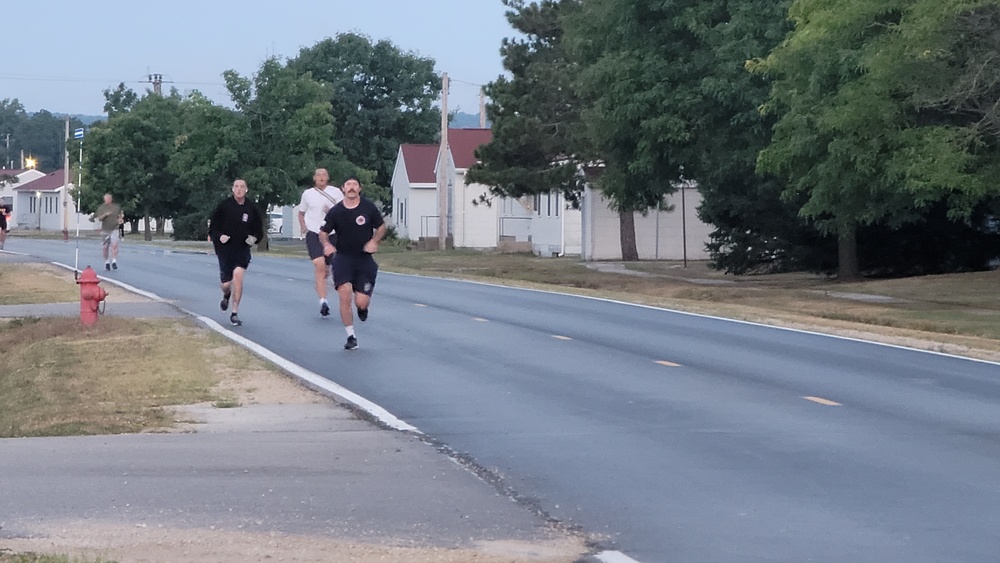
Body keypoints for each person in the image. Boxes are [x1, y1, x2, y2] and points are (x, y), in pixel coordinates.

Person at [319, 176, 386, 350]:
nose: (351, 187)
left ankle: (363, 309)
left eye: (355, 184)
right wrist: (326, 245)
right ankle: (351, 336)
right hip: (343, 258)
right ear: (343, 188)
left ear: (360, 188)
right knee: (345, 293)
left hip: (364, 259)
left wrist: (374, 242)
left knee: (361, 302)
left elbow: (381, 226)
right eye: (348, 184)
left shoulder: (368, 207)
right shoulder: (336, 211)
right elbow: (323, 232)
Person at [209, 178, 264, 327]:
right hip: (225, 250)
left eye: (242, 187)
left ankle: (234, 313)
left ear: (246, 190)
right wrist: (220, 236)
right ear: (232, 189)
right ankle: (226, 294)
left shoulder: (252, 208)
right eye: (236, 186)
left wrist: (253, 239)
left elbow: (259, 232)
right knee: (226, 283)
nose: (239, 189)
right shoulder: (224, 206)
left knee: (238, 277)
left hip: (242, 249)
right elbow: (213, 228)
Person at [297, 168, 343, 317]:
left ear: (328, 177)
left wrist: (331, 209)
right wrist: (303, 226)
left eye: (324, 175)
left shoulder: (336, 192)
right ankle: (323, 301)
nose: (321, 177)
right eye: (318, 175)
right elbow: (301, 212)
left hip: (332, 234)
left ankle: (322, 286)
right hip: (314, 233)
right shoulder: (308, 194)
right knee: (319, 264)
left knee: (328, 269)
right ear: (314, 178)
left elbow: (344, 211)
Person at [94, 193, 123, 270]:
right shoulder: (101, 208)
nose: (107, 200)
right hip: (105, 229)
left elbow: (120, 216)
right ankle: (107, 262)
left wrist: (120, 219)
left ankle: (114, 261)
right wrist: (105, 214)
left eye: (108, 198)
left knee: (114, 245)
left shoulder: (116, 207)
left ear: (111, 199)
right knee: (105, 247)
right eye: (106, 199)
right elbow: (99, 218)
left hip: (115, 228)